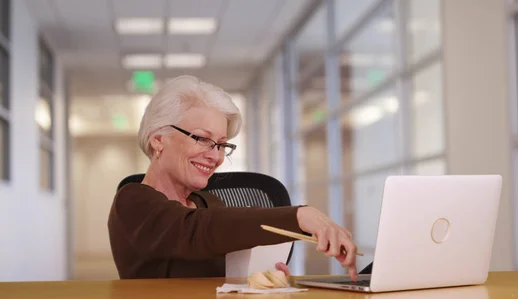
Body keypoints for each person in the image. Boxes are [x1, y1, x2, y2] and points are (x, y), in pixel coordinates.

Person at [107, 75, 358, 281]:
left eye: (221, 145)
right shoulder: (132, 200)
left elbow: (226, 267)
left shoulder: (210, 203)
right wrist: (299, 216)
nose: (214, 156)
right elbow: (195, 230)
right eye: (203, 139)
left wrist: (262, 279)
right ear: (158, 139)